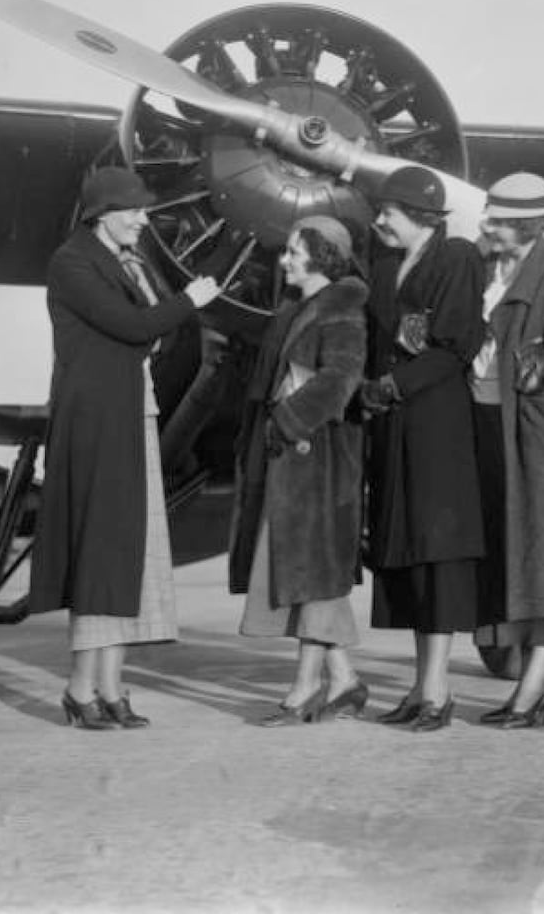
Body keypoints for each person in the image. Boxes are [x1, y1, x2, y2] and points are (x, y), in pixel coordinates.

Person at [30, 166, 222, 730]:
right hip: (97, 421)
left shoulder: (118, 261)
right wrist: (190, 299)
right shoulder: (72, 263)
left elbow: (142, 328)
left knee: (123, 556)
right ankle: (79, 688)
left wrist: (156, 318)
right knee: (101, 554)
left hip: (130, 413)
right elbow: (133, 326)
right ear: (103, 214)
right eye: (134, 210)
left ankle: (110, 688)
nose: (144, 220)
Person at [228, 217, 370, 725]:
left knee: (310, 576)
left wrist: (287, 420)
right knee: (304, 574)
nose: (284, 260)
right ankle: (345, 681)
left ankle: (306, 688)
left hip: (317, 461)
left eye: (293, 251)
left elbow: (341, 378)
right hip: (292, 461)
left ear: (322, 256)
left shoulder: (341, 308)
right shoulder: (298, 309)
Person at [361, 165, 485, 733]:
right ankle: (419, 687)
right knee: (409, 552)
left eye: (388, 211)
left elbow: (457, 344)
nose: (379, 219)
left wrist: (396, 385)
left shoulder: (457, 258)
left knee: (436, 554)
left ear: (418, 215)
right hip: (395, 426)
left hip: (436, 426)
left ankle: (437, 691)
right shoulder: (386, 263)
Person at [469, 173, 544, 729]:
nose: (483, 225)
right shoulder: (485, 267)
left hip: (533, 442)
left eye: (494, 219)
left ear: (522, 226)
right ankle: (523, 681)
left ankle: (533, 690)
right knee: (502, 558)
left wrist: (539, 432)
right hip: (487, 429)